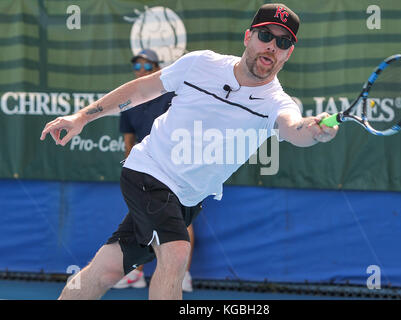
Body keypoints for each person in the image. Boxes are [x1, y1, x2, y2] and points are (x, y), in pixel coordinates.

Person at [40, 3, 338, 300]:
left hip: (186, 198)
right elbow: (141, 90)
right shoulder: (201, 64)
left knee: (106, 270)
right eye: (265, 36)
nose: (272, 46)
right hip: (149, 172)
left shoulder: (277, 102)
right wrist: (82, 117)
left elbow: (294, 129)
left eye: (282, 42)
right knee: (177, 253)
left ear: (289, 53)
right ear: (248, 37)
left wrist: (315, 132)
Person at [112, 49, 194, 291]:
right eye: (137, 67)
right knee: (140, 218)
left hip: (176, 168)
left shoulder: (172, 95)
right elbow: (129, 140)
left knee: (183, 220)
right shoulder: (129, 100)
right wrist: (133, 169)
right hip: (144, 170)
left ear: (158, 69)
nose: (141, 71)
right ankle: (136, 273)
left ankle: (183, 275)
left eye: (147, 67)